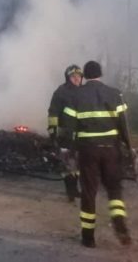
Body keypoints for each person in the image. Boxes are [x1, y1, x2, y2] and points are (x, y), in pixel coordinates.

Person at [67, 60, 136, 248]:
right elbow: (124, 124)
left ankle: (88, 237)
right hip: (111, 149)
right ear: (100, 74)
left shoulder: (76, 95)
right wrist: (129, 147)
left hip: (88, 150)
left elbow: (69, 127)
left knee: (89, 192)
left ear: (85, 76)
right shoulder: (115, 94)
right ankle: (120, 223)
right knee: (114, 189)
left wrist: (69, 150)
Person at [47, 64, 83, 201]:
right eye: (73, 77)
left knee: (78, 163)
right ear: (68, 78)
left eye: (79, 76)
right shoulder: (61, 92)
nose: (77, 79)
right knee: (68, 163)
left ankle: (75, 189)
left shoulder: (84, 92)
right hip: (65, 135)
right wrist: (53, 132)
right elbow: (53, 112)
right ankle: (70, 191)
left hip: (81, 134)